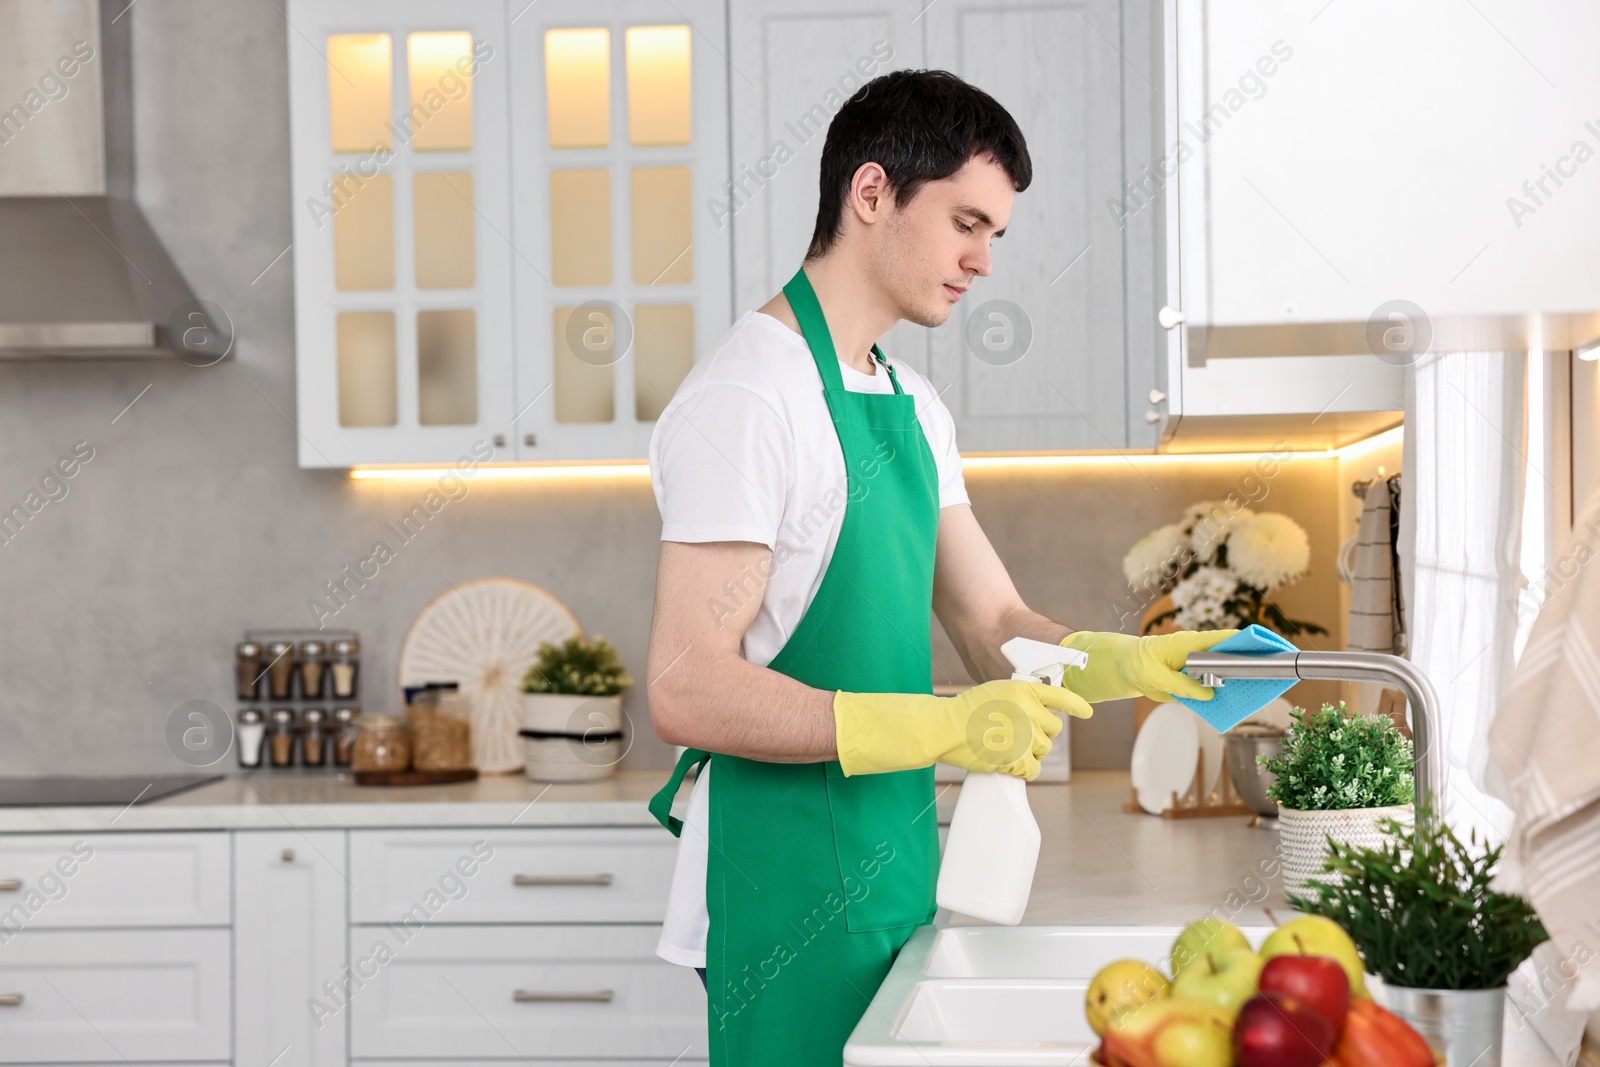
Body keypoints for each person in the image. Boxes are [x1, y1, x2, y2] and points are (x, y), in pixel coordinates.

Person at [644, 68, 1233, 1067]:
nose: (983, 260)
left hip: (893, 858)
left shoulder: (913, 404)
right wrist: (943, 723)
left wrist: (1124, 663)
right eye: (967, 222)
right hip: (781, 877)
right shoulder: (747, 400)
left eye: (995, 233)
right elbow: (685, 685)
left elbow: (988, 613)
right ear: (870, 194)